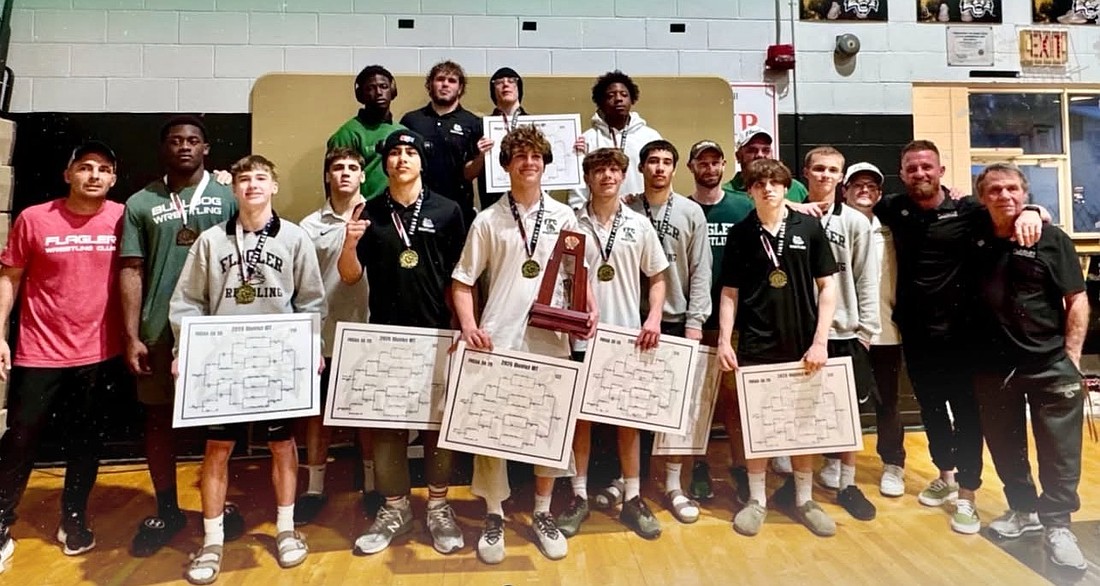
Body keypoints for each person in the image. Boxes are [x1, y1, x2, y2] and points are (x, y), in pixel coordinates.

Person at [873, 139, 1042, 534]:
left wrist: (1034, 210)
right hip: (917, 334)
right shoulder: (895, 208)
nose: (920, 173)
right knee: (931, 409)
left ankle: (967, 494)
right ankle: (945, 476)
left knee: (966, 414)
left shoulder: (968, 210)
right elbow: (847, 203)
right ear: (903, 174)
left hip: (962, 337)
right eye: (912, 168)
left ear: (941, 171)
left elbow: (1011, 209)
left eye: (926, 166)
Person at [170, 155, 325, 584]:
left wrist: (313, 346)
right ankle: (212, 540)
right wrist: (186, 350)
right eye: (244, 179)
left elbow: (311, 301)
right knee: (218, 448)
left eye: (260, 178)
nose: (252, 185)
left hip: (278, 359)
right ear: (234, 188)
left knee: (282, 444)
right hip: (225, 361)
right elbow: (188, 301)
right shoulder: (210, 240)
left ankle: (286, 529)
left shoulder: (294, 238)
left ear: (273, 186)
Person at [452, 124, 596, 564]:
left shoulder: (564, 217)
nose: (529, 163)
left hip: (549, 338)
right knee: (492, 431)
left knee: (549, 426)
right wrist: (469, 326)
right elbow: (462, 281)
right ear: (506, 165)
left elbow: (578, 274)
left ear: (545, 164)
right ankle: (494, 514)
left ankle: (542, 511)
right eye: (520, 156)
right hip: (498, 337)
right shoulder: (487, 220)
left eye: (536, 156)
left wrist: (588, 313)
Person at [336, 130, 468, 555]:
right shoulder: (369, 211)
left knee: (436, 427)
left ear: (422, 162)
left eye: (410, 152)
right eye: (395, 153)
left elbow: (462, 277)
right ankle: (395, 508)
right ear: (386, 162)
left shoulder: (448, 210)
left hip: (437, 333)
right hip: (385, 336)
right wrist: (350, 242)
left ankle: (439, 507)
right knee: (388, 427)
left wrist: (465, 327)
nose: (402, 159)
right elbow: (349, 276)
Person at [120, 115, 244, 557]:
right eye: (176, 141)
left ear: (206, 148)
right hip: (159, 329)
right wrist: (132, 334)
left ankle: (219, 505)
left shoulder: (229, 196)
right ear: (164, 148)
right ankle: (167, 508)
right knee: (159, 420)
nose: (185, 147)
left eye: (193, 140)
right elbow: (131, 268)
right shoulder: (140, 202)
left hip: (216, 329)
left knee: (219, 425)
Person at [0, 141, 125, 571]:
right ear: (68, 174)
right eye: (85, 167)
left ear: (113, 179)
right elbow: (10, 277)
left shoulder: (122, 217)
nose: (94, 175)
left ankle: (73, 518)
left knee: (86, 441)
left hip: (99, 352)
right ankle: (1, 521)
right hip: (39, 352)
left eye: (103, 169)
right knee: (20, 439)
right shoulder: (34, 218)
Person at [971, 163, 1089, 570]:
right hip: (993, 369)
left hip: (1050, 363)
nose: (1004, 196)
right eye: (994, 190)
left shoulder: (1052, 239)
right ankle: (1023, 511)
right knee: (1005, 448)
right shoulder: (973, 235)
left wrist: (1071, 358)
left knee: (1060, 453)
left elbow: (1076, 299)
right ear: (982, 197)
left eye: (1012, 189)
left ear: (1025, 193)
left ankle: (1058, 526)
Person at [715, 158, 839, 538]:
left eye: (775, 182)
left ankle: (804, 499)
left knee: (802, 424)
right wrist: (724, 340)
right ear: (749, 191)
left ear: (787, 188)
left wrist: (820, 341)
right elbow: (730, 292)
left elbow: (828, 286)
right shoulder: (740, 233)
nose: (767, 188)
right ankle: (757, 500)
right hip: (756, 343)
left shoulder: (809, 227)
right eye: (759, 183)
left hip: (802, 344)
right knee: (759, 424)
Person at [556, 147, 668, 539]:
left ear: (623, 177)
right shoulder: (570, 222)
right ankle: (579, 495)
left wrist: (653, 317)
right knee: (580, 420)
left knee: (627, 420)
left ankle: (633, 497)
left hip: (627, 337)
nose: (607, 176)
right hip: (582, 337)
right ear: (587, 178)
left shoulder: (639, 224)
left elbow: (657, 276)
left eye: (613, 170)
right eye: (599, 170)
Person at [624, 140, 713, 524]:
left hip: (677, 320)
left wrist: (695, 321)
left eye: (666, 162)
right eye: (652, 162)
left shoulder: (691, 212)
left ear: (675, 169)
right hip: (632, 320)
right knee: (631, 405)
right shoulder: (627, 209)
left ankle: (674, 484)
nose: (659, 168)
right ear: (641, 168)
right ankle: (628, 483)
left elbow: (701, 270)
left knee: (675, 408)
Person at [791, 147, 880, 521]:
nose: (825, 175)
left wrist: (866, 331)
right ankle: (800, 489)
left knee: (847, 415)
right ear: (805, 173)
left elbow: (866, 278)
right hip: (800, 330)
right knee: (801, 413)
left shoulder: (855, 222)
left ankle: (847, 484)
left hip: (844, 331)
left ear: (841, 177)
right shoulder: (790, 218)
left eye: (832, 170)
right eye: (818, 169)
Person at [294, 147, 374, 525]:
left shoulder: (380, 217)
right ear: (328, 176)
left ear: (362, 175)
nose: (345, 173)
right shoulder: (309, 226)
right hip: (325, 333)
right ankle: (314, 488)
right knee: (319, 416)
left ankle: (372, 486)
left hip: (369, 330)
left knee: (367, 414)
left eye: (352, 168)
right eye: (337, 168)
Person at [687, 140, 754, 504]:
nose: (710, 168)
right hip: (696, 318)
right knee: (699, 398)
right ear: (691, 167)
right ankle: (698, 465)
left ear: (725, 165)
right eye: (703, 162)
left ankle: (740, 466)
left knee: (734, 399)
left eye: (715, 162)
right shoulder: (683, 208)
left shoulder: (743, 206)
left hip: (737, 319)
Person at [841, 162, 907, 498]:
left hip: (885, 331)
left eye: (871, 186)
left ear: (880, 194)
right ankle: (836, 461)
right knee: (842, 399)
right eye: (857, 185)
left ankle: (893, 464)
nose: (864, 190)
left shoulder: (891, 230)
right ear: (845, 190)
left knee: (887, 400)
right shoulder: (833, 225)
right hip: (844, 332)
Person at [400, 60, 485, 224]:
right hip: (416, 206)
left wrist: (482, 156)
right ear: (430, 85)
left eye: (452, 81)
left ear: (460, 88)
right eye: (440, 79)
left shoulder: (472, 123)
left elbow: (469, 174)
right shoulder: (411, 120)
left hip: (458, 208)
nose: (445, 84)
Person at [568, 70, 662, 209]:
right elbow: (579, 187)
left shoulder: (650, 137)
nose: (618, 99)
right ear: (601, 102)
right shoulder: (587, 139)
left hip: (643, 212)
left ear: (632, 99)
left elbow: (663, 178)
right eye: (611, 95)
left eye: (624, 94)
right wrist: (578, 211)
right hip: (600, 214)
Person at [327, 65, 404, 201]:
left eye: (384, 86)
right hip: (363, 209)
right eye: (370, 88)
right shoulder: (347, 134)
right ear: (360, 95)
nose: (378, 92)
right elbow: (333, 184)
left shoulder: (402, 131)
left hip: (398, 207)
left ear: (393, 90)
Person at [721, 126, 807, 205]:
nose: (760, 155)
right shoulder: (725, 193)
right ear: (738, 156)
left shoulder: (795, 188)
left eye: (766, 150)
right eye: (752, 150)